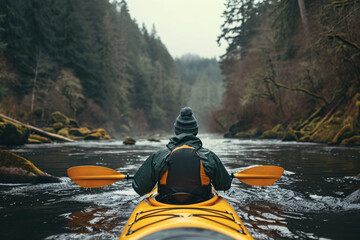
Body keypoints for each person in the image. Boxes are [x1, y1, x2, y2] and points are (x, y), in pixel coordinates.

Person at [132, 106, 232, 204]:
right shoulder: (209, 156)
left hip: (166, 204)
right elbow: (224, 185)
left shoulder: (159, 157)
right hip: (202, 204)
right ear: (195, 131)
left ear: (176, 131)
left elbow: (140, 187)